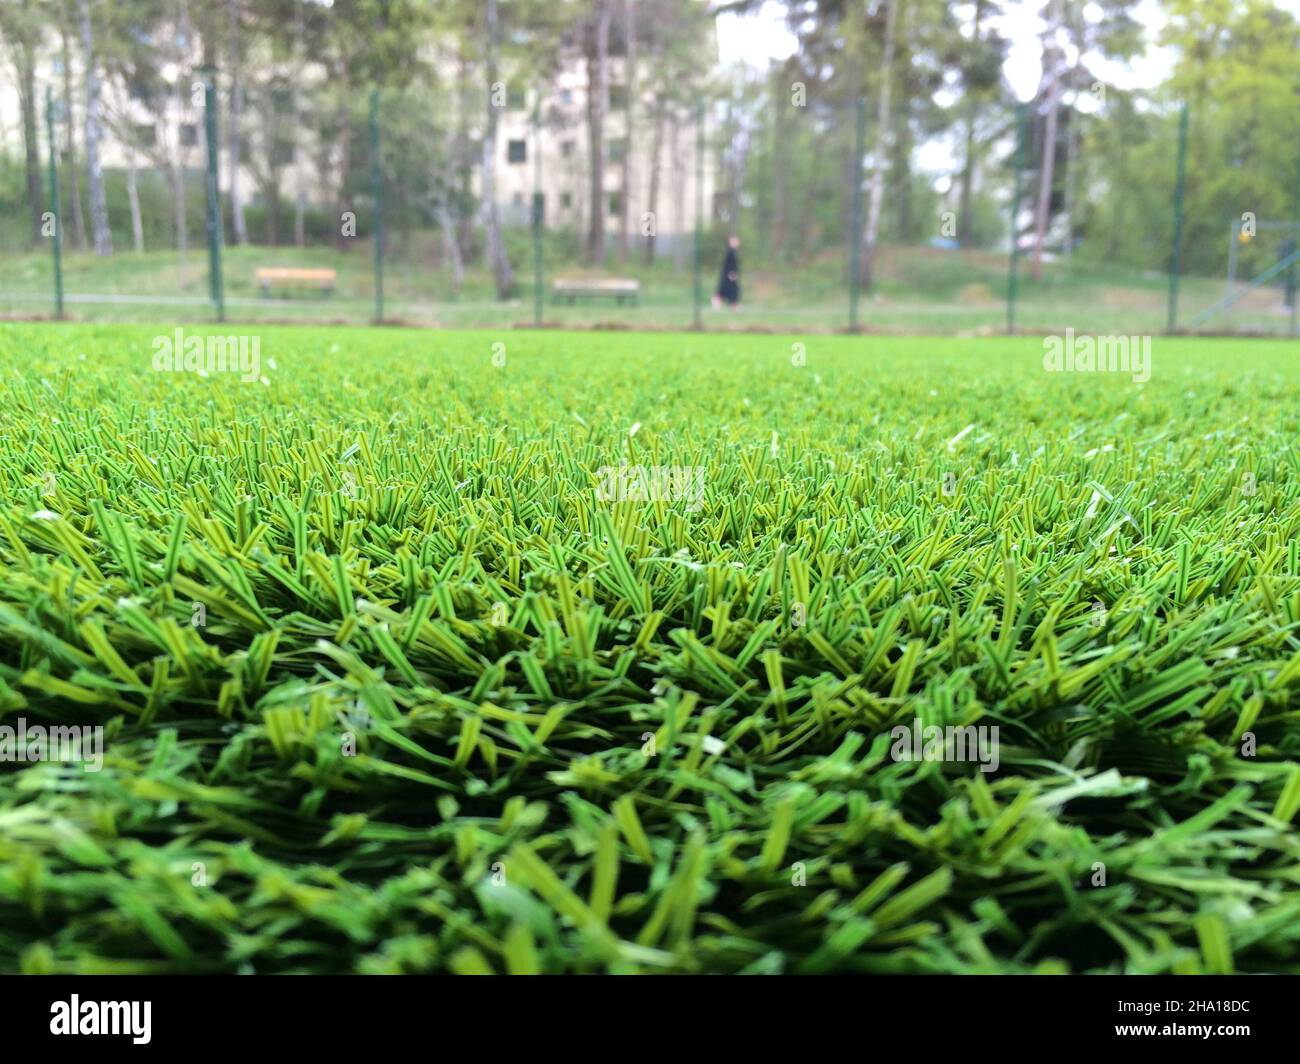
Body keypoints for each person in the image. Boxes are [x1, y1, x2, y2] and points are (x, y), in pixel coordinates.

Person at [713, 235, 740, 309]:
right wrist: (731, 273)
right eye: (734, 241)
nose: (737, 243)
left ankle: (733, 305)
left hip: (731, 274)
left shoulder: (733, 252)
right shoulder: (730, 252)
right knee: (728, 289)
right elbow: (727, 265)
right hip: (729, 275)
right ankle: (719, 301)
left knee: (732, 289)